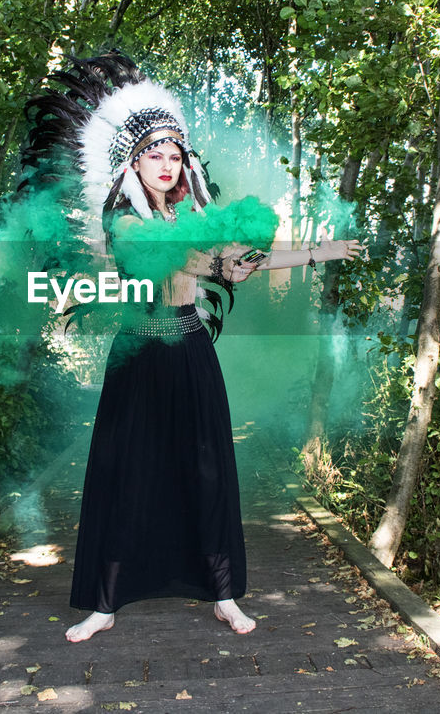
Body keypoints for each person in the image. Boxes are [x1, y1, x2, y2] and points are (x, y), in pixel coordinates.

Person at [22, 54, 363, 644]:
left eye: (175, 155)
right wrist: (225, 257)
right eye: (154, 153)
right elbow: (182, 256)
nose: (166, 163)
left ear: (184, 166)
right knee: (125, 474)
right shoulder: (121, 218)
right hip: (138, 358)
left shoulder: (192, 215)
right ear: (134, 163)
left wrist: (316, 253)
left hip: (190, 353)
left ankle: (224, 594)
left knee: (206, 473)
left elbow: (237, 262)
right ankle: (105, 603)